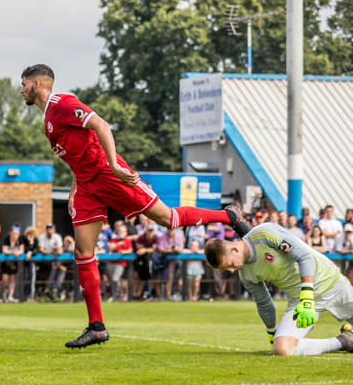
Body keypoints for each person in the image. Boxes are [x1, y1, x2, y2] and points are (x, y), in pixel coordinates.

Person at [18, 63, 249, 348]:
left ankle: (228, 216)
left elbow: (101, 126)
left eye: (24, 84)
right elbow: (78, 155)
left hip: (107, 172)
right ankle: (97, 327)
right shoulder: (47, 120)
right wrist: (74, 190)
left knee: (168, 218)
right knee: (82, 252)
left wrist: (114, 165)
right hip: (87, 185)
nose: (21, 90)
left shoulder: (62, 103)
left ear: (37, 84)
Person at [205, 223, 353, 356]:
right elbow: (264, 303)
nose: (231, 270)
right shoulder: (245, 275)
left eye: (230, 264)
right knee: (281, 349)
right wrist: (273, 336)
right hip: (299, 302)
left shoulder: (264, 234)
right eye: (227, 269)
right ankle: (345, 341)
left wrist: (307, 298)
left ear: (234, 249)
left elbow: (304, 257)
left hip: (332, 284)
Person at [107, 223, 133, 302]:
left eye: (122, 231)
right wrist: (118, 244)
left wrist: (125, 251)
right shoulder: (114, 240)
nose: (120, 233)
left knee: (115, 279)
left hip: (121, 263)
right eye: (119, 231)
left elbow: (130, 250)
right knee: (112, 281)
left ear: (126, 233)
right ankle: (115, 297)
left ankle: (120, 294)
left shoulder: (127, 240)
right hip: (111, 263)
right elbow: (110, 248)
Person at [37, 222, 64, 298]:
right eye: (48, 229)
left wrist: (55, 252)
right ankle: (44, 291)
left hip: (54, 261)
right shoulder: (42, 237)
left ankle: (53, 289)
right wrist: (52, 252)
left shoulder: (57, 237)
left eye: (51, 229)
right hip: (44, 261)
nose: (49, 231)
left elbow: (60, 250)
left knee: (57, 268)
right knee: (42, 276)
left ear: (54, 230)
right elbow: (41, 250)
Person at [0, 225, 23, 303]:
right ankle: (3, 293)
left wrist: (18, 252)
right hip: (6, 263)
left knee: (12, 279)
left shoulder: (20, 240)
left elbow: (22, 250)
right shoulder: (7, 239)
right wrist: (13, 252)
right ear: (11, 233)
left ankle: (10, 296)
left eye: (16, 234)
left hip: (14, 263)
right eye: (13, 233)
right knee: (5, 279)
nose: (14, 235)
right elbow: (4, 250)